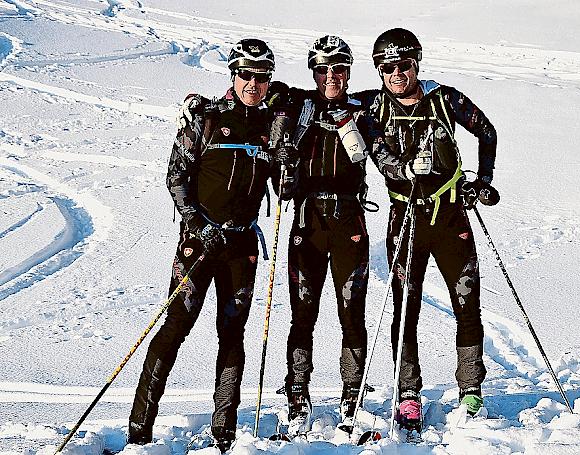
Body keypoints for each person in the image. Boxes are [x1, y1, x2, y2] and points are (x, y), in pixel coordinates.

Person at [127, 38, 277, 452]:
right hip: (199, 243)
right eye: (246, 74)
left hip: (242, 245)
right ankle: (140, 428)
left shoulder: (269, 127)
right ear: (234, 74)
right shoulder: (205, 117)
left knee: (233, 334)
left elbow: (282, 185)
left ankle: (225, 430)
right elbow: (175, 175)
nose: (253, 83)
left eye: (261, 77)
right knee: (175, 327)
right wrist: (196, 224)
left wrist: (287, 164)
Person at [361, 27, 498, 432]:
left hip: (451, 216)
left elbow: (486, 131)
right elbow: (321, 103)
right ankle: (408, 396)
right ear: (379, 70)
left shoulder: (444, 97)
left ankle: (471, 392)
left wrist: (483, 181)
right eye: (388, 67)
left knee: (466, 303)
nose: (397, 74)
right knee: (405, 311)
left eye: (404, 65)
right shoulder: (372, 107)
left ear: (416, 62)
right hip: (405, 218)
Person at [268, 35, 399, 435]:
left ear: (348, 71)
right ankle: (297, 392)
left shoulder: (363, 108)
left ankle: (352, 392)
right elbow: (260, 93)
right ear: (313, 71)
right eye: (322, 69)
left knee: (351, 313)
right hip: (307, 224)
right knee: (302, 314)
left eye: (338, 69)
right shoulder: (299, 103)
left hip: (349, 224)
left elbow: (403, 105)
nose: (330, 77)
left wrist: (414, 176)